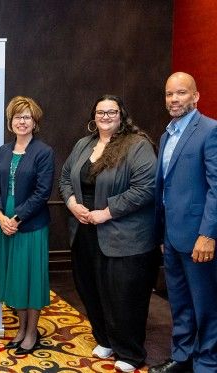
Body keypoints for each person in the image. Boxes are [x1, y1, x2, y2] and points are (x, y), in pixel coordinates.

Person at [59, 94, 158, 372]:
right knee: (90, 288)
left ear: (121, 115)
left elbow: (145, 188)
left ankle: (130, 352)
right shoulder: (83, 144)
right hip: (84, 230)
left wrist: (107, 212)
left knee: (123, 296)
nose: (105, 116)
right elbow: (66, 177)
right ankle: (105, 339)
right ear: (94, 116)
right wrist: (72, 204)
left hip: (123, 235)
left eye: (111, 111)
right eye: (100, 112)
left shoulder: (136, 145)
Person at [149, 72, 217, 373]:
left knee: (206, 306)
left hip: (199, 239)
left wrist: (208, 234)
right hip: (172, 237)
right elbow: (165, 188)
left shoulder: (210, 130)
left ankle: (206, 363)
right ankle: (182, 357)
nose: (174, 99)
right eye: (169, 94)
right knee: (180, 303)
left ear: (195, 96)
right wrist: (163, 233)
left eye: (181, 93)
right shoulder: (167, 135)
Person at [0, 96, 55, 356]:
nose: (22, 121)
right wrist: (0, 214)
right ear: (10, 121)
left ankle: (31, 333)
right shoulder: (4, 151)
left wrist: (16, 219)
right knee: (15, 279)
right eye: (17, 117)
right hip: (5, 223)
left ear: (35, 121)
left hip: (30, 226)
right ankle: (21, 329)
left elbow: (42, 192)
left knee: (30, 280)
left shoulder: (44, 152)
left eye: (27, 116)